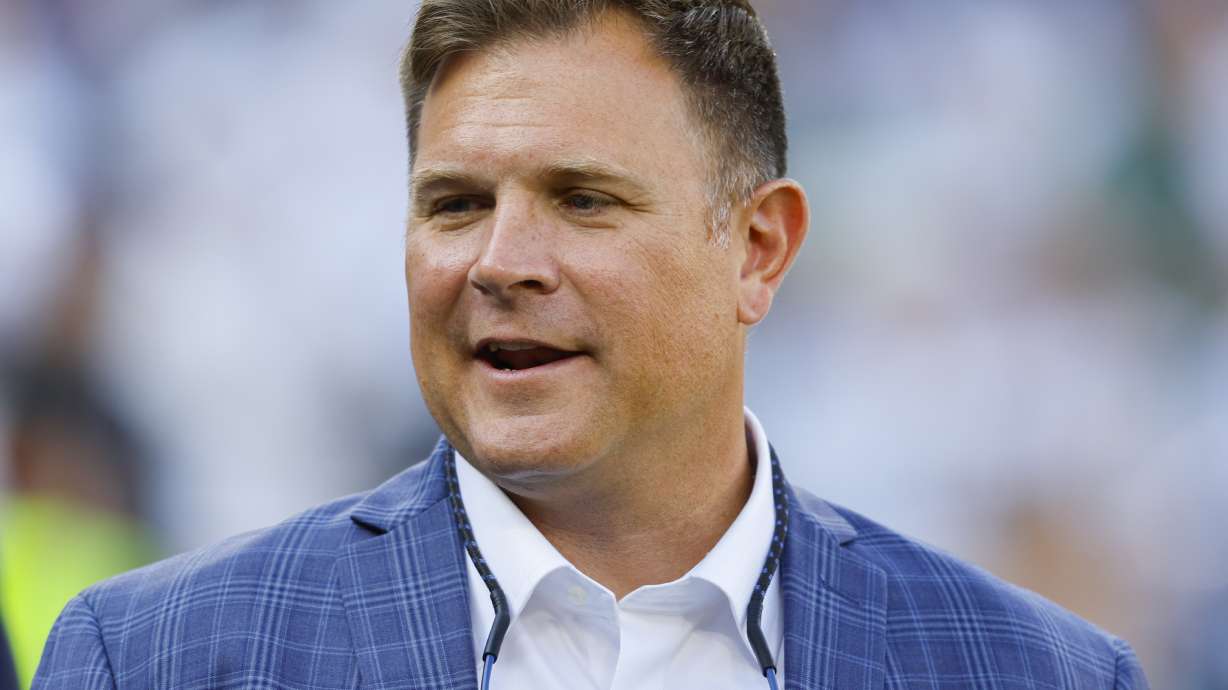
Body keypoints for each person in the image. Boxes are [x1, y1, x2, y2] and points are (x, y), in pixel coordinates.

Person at [34, 1, 1149, 688]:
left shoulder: (1032, 673)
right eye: (457, 204)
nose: (500, 261)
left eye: (582, 200)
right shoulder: (157, 661)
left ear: (756, 249)